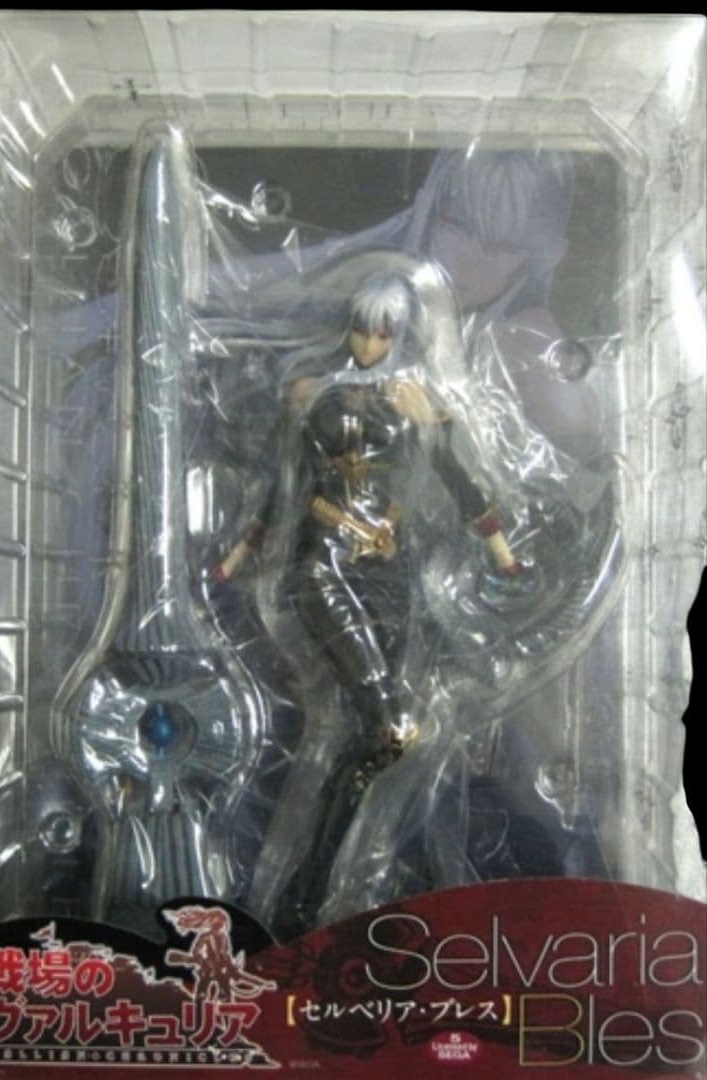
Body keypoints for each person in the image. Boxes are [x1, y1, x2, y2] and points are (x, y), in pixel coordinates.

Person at [213, 266, 525, 932]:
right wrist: (244, 549)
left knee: (372, 735)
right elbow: (281, 484)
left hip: (387, 574)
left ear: (399, 335)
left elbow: (459, 477)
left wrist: (500, 550)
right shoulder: (313, 394)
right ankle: (306, 898)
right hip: (321, 563)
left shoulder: (413, 398)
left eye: (383, 334)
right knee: (389, 732)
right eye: (361, 330)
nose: (369, 344)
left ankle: (335, 890)